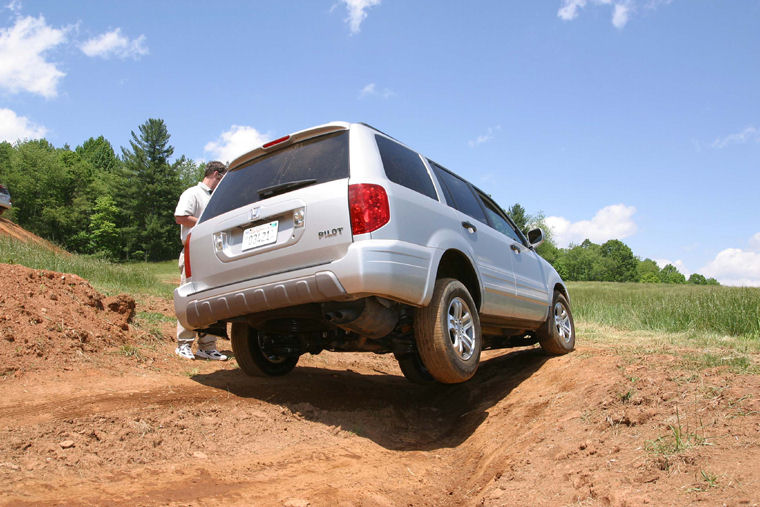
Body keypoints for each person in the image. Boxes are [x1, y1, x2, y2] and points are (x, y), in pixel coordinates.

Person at [174, 161, 228, 360]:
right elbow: (180, 217)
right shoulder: (193, 193)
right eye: (222, 179)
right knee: (189, 298)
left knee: (213, 300)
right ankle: (184, 344)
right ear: (215, 174)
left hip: (213, 253)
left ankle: (207, 346)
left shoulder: (216, 198)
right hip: (193, 251)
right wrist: (207, 224)